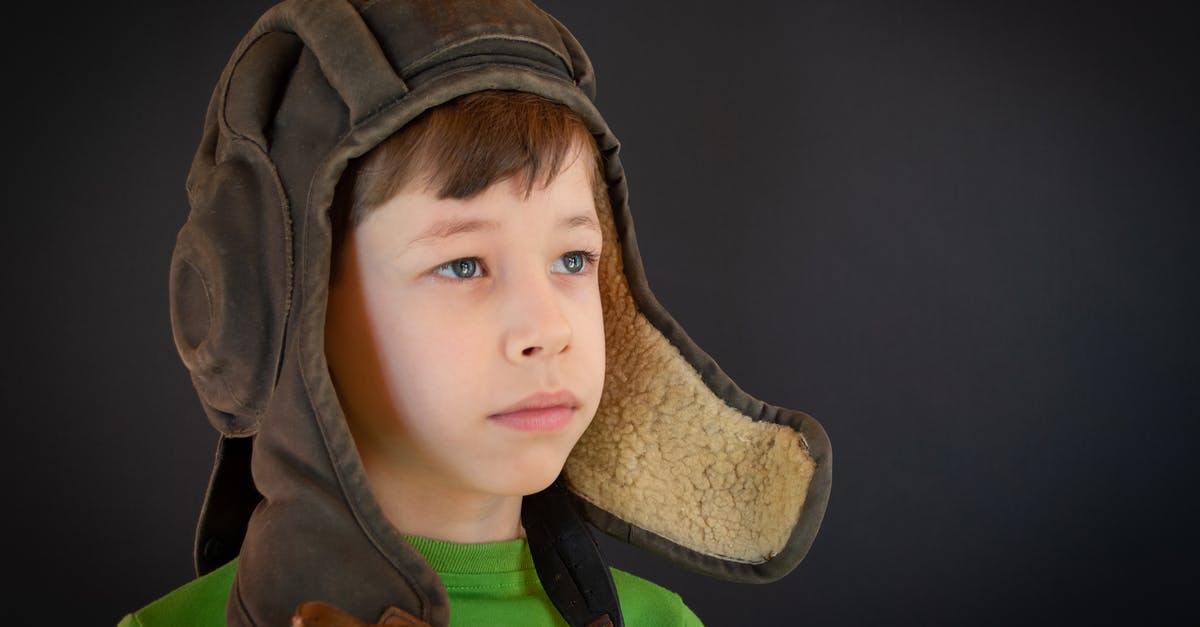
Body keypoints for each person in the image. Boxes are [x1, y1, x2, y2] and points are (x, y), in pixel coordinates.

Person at [119, 1, 831, 625]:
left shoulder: (661, 623)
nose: (547, 328)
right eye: (462, 264)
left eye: (574, 259)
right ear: (284, 310)